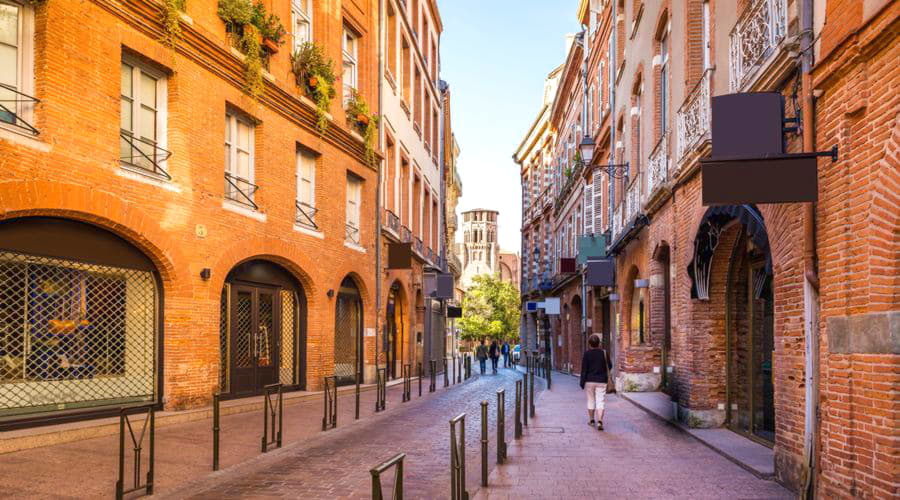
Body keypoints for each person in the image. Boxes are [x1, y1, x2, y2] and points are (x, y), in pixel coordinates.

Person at [580, 334, 613, 430]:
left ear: (589, 344)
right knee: (600, 400)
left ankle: (591, 420)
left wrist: (582, 382)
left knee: (591, 400)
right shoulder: (604, 353)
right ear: (599, 343)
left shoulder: (587, 354)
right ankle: (600, 421)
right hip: (602, 381)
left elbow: (584, 369)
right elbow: (609, 366)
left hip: (589, 381)